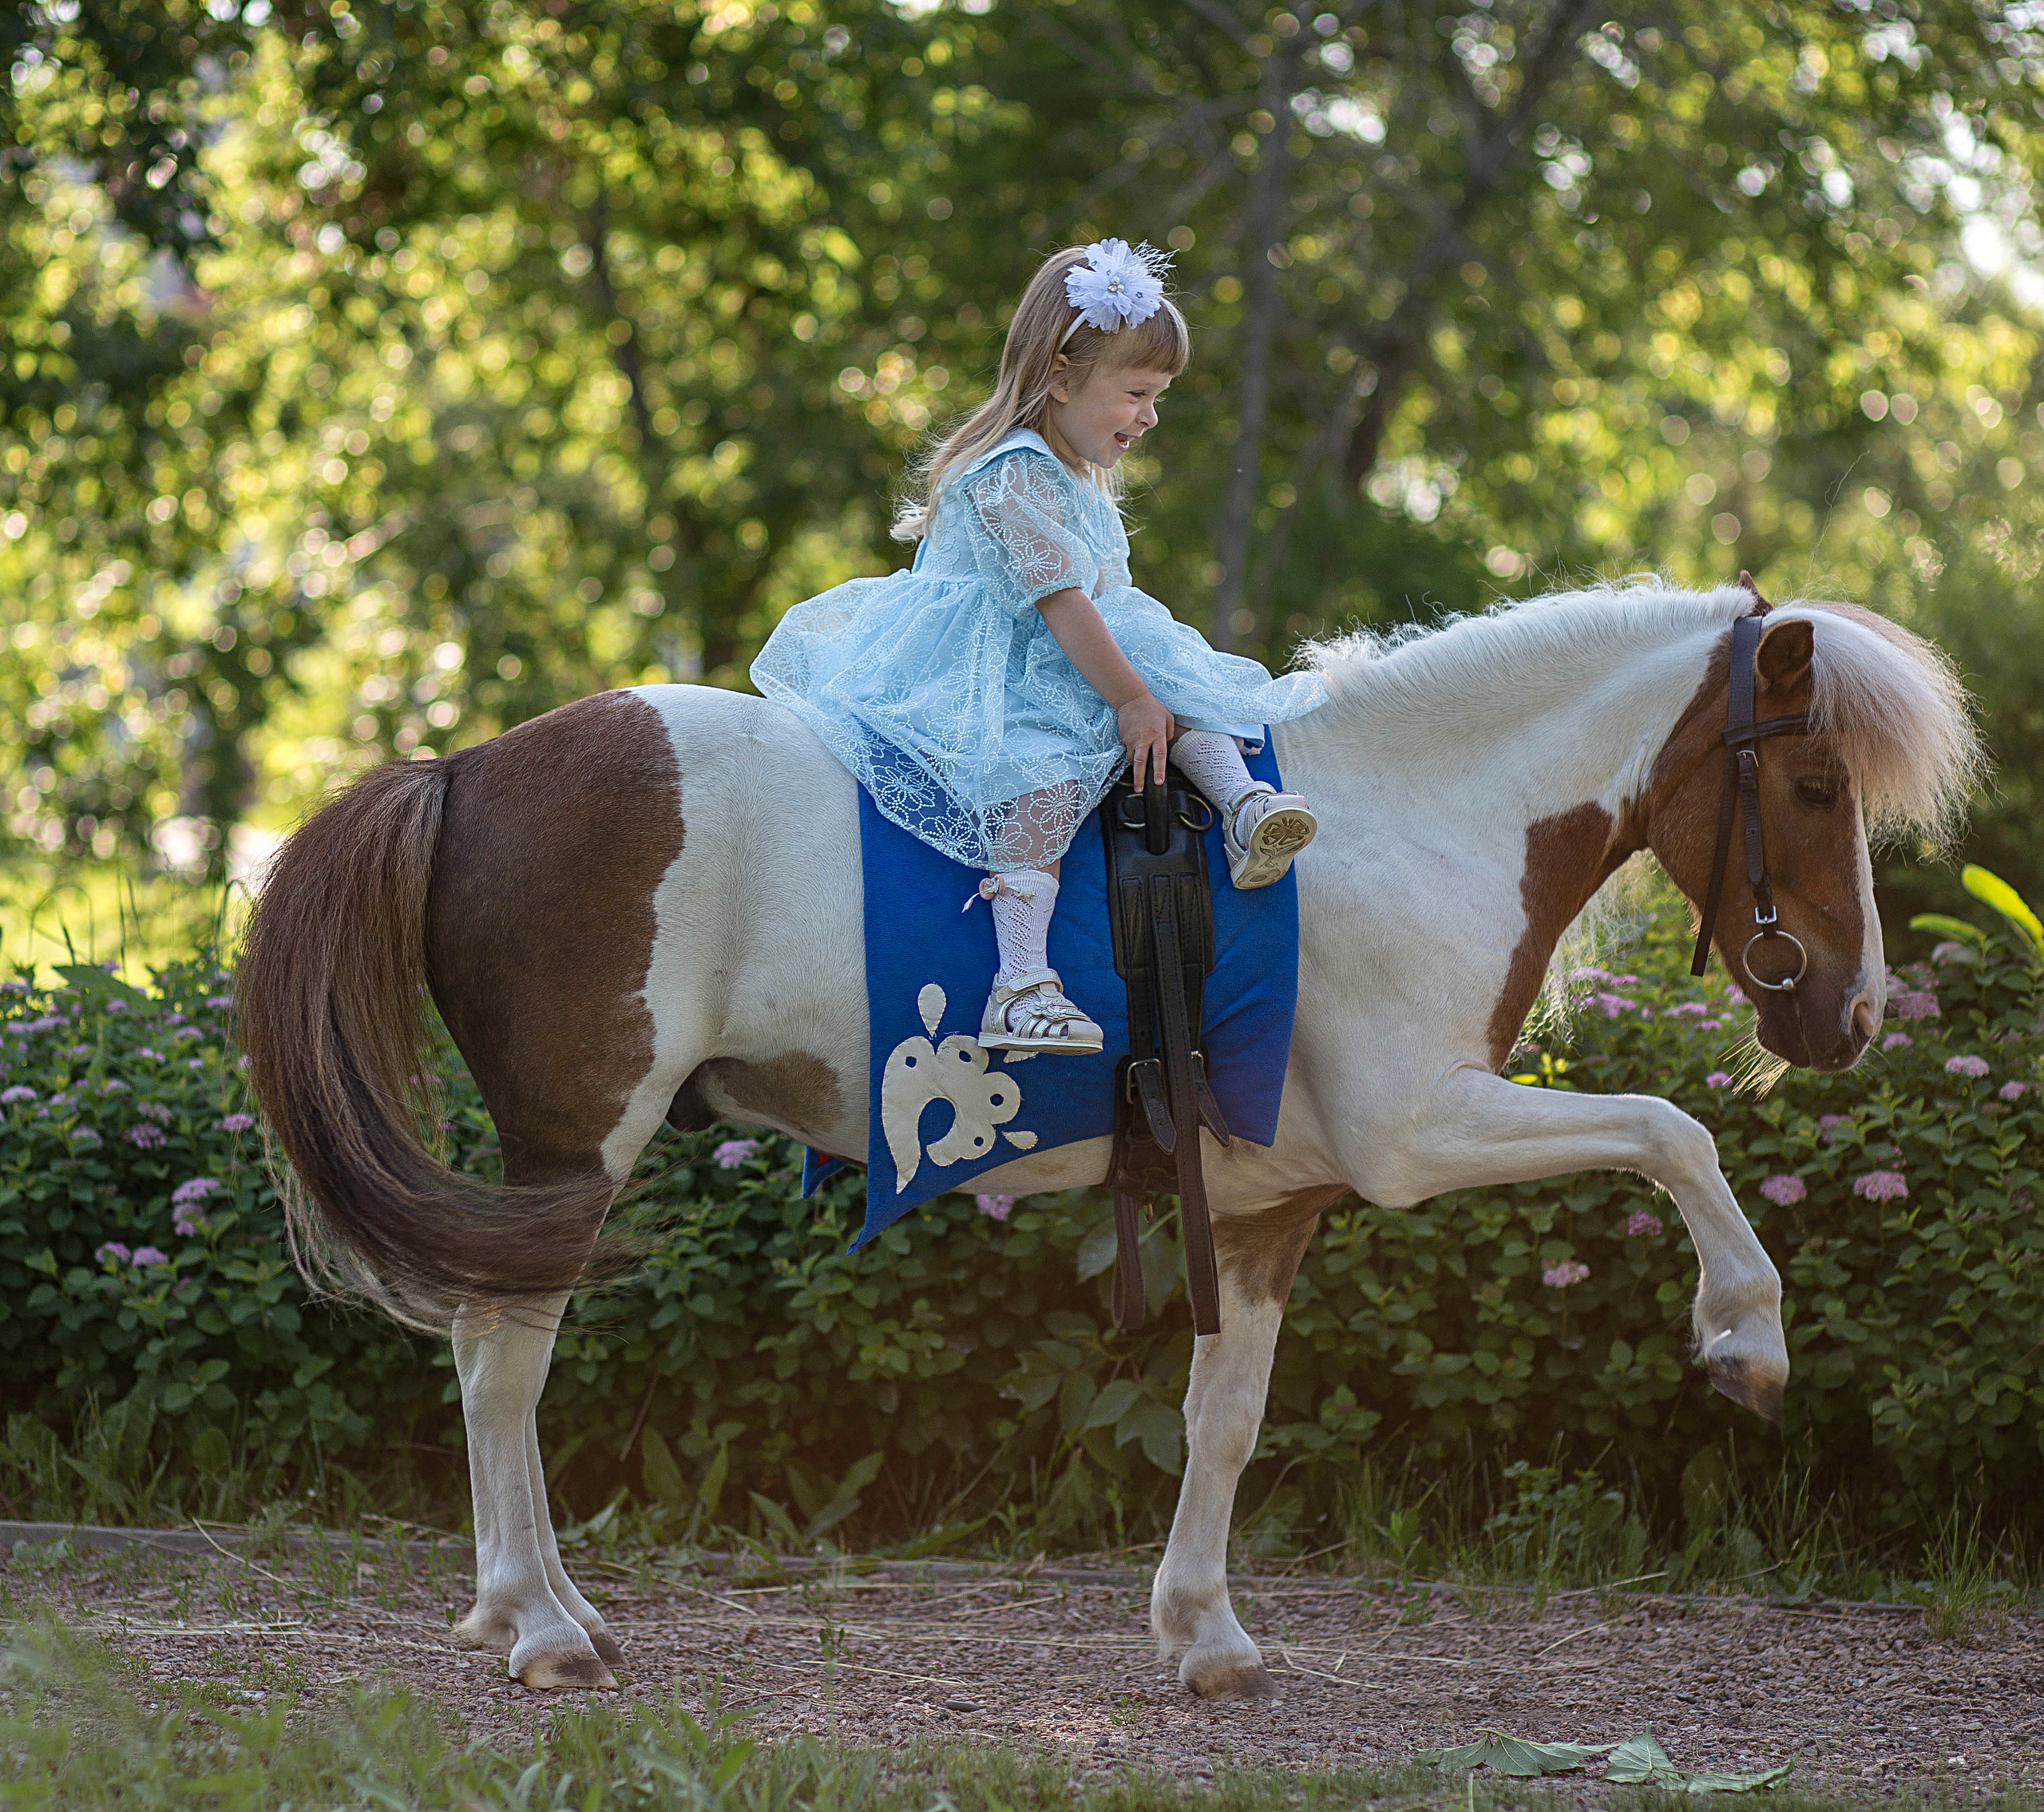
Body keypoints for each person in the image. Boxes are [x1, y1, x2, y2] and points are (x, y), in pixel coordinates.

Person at [753, 240, 1325, 1056]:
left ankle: (1242, 809)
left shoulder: (1079, 477)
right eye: (1135, 393)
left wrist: (1145, 688)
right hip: (991, 664)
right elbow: (1059, 602)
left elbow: (1105, 607)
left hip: (1068, 649)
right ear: (1060, 376)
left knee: (1176, 685)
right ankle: (1018, 984)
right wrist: (1128, 696)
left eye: (1157, 396)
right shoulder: (1009, 472)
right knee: (1039, 777)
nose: (1149, 416)